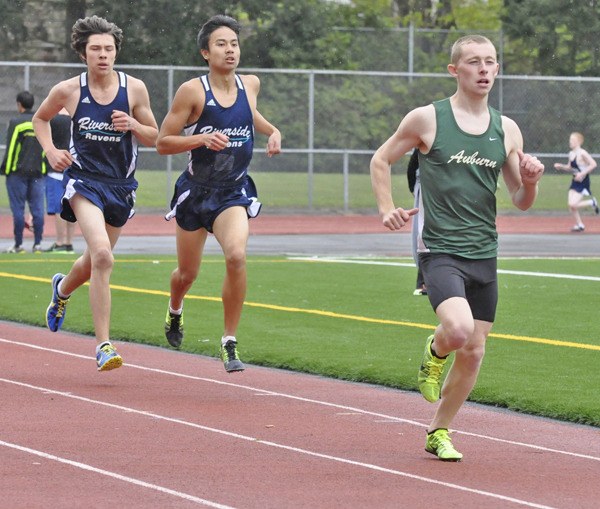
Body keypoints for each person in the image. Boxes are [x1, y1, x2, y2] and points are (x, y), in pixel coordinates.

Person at [370, 35, 544, 461]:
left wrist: (533, 180)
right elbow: (381, 159)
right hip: (439, 248)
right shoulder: (428, 119)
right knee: (459, 330)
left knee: (475, 350)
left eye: (490, 62)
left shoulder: (507, 129)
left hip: (484, 250)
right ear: (455, 70)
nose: (483, 69)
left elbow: (520, 200)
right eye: (473, 62)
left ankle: (439, 430)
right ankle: (433, 353)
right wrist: (387, 207)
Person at [32, 15, 158, 371]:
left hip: (121, 186)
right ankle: (104, 344)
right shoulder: (69, 90)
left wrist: (133, 124)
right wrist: (52, 150)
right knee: (102, 255)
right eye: (96, 49)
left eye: (109, 48)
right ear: (83, 53)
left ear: (116, 51)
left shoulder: (135, 89)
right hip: (83, 181)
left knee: (91, 263)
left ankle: (61, 291)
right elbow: (39, 119)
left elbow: (155, 136)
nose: (103, 54)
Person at [156, 15, 281, 372]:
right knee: (187, 275)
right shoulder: (192, 92)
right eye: (221, 44)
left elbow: (251, 115)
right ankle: (175, 309)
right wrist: (201, 138)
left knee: (236, 256)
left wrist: (274, 131)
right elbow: (163, 142)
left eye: (234, 44)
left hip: (233, 192)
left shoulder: (250, 84)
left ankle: (229, 340)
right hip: (196, 193)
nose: (230, 50)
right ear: (205, 52)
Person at [1, 91, 46, 253]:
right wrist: (42, 167)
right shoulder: (40, 122)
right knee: (38, 210)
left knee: (18, 209)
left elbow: (12, 148)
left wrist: (6, 168)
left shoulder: (16, 122)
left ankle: (18, 245)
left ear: (19, 104)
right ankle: (38, 244)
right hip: (37, 173)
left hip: (17, 174)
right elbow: (45, 146)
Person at [553, 132, 599, 232]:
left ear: (578, 142)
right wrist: (561, 166)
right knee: (571, 205)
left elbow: (593, 164)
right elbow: (570, 168)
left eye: (572, 140)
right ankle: (580, 225)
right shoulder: (571, 154)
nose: (570, 142)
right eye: (570, 140)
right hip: (575, 181)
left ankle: (592, 202)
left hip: (583, 182)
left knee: (573, 204)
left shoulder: (583, 153)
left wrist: (582, 174)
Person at [44, 108, 76, 252]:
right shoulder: (78, 119)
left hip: (56, 169)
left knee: (59, 208)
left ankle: (60, 242)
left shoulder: (53, 120)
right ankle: (69, 242)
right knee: (72, 207)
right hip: (75, 168)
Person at [406, 148, 426, 296]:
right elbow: (413, 164)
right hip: (426, 184)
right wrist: (413, 186)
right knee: (423, 232)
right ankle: (423, 282)